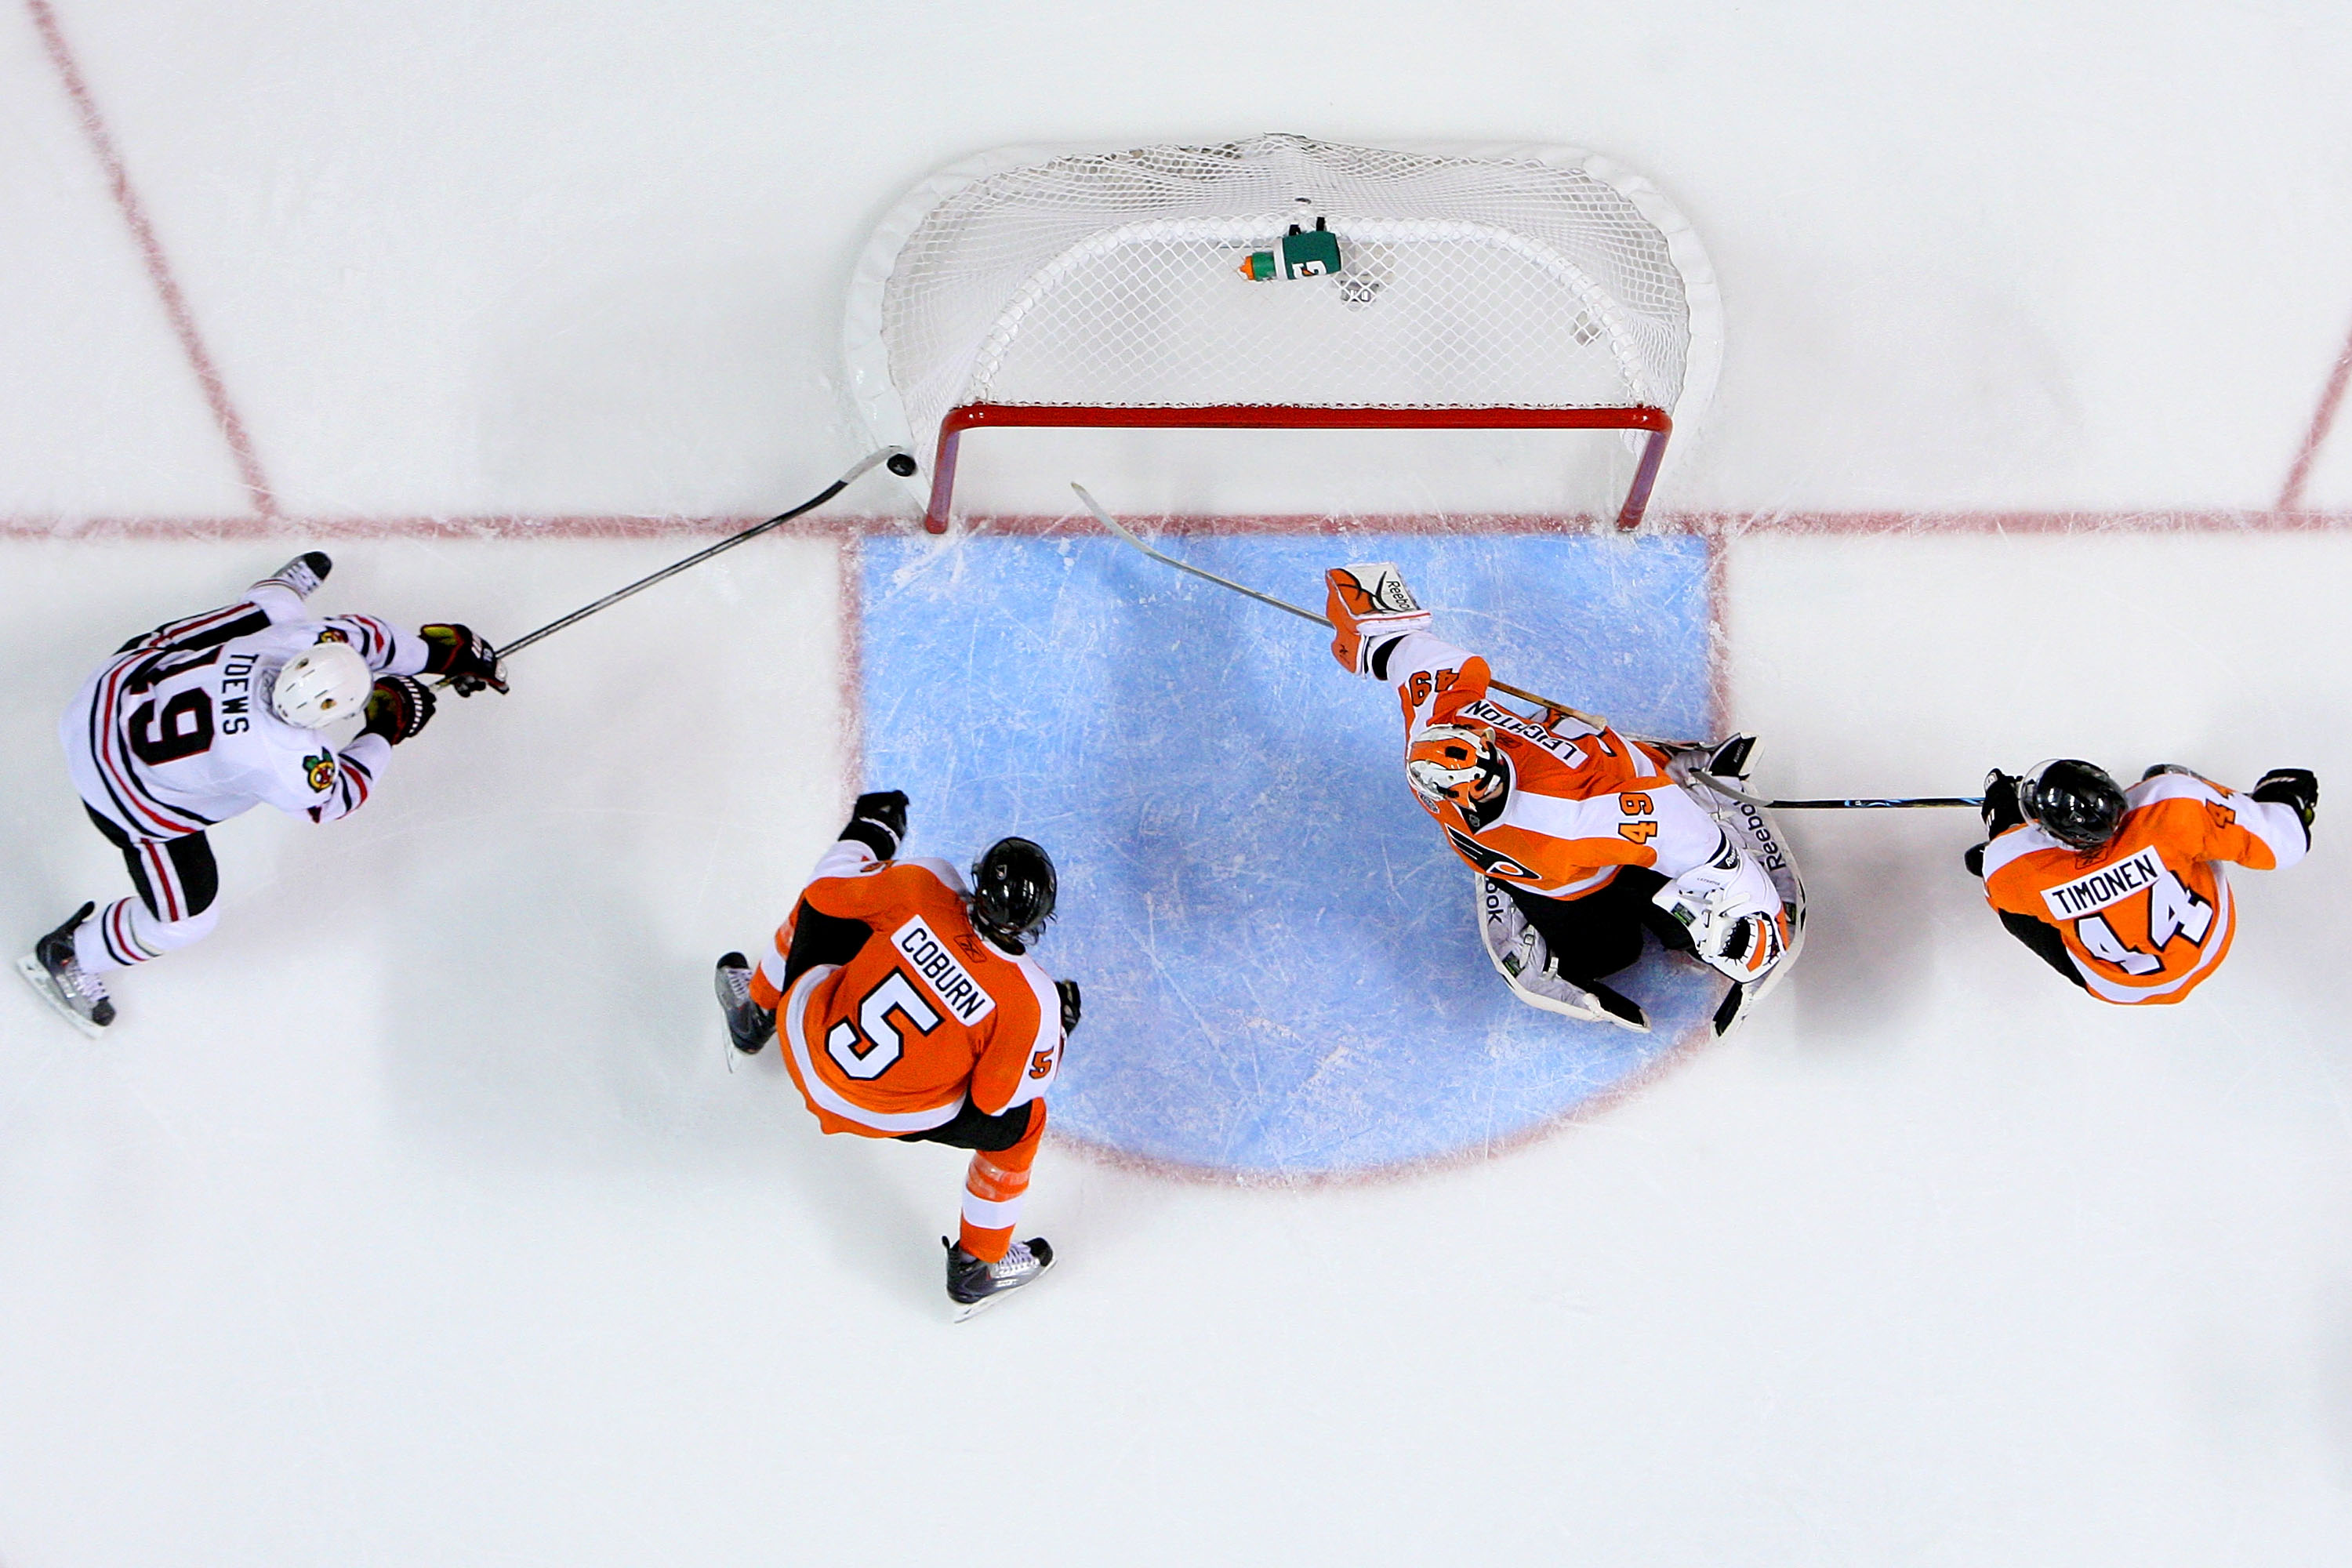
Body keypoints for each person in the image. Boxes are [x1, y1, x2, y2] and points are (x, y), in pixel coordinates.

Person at [15, 553, 506, 1035]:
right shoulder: (284, 761)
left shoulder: (291, 642)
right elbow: (334, 798)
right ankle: (71, 953)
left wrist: (430, 658)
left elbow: (364, 640)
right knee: (185, 922)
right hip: (121, 795)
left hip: (98, 704)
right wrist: (388, 724)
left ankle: (271, 591)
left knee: (260, 618)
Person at [1323, 561, 1799, 1036]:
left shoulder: (1569, 816)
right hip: (1559, 866)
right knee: (1611, 953)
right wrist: (1373, 635)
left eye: (1489, 769)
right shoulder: (1443, 724)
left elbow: (1700, 846)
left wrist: (1748, 923)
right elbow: (1408, 650)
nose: (1492, 781)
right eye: (1481, 787)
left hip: (1606, 801)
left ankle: (1664, 767)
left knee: (1676, 928)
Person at [713, 790, 1077, 1321]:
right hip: (889, 1114)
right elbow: (995, 1098)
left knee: (824, 903)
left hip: (807, 1038)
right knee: (1022, 1126)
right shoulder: (1031, 1001)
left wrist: (873, 828)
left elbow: (827, 889)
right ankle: (977, 1263)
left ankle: (756, 1013)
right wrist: (1056, 1032)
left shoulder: (923, 885)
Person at [1965, 759, 2315, 1004]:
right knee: (2183, 806)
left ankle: (2010, 858)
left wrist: (2002, 825)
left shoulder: (2012, 866)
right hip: (2205, 944)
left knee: (2005, 892)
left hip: (2120, 984)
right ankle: (2218, 811)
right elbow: (2286, 843)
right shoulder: (2171, 802)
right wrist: (2286, 797)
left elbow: (2006, 863)